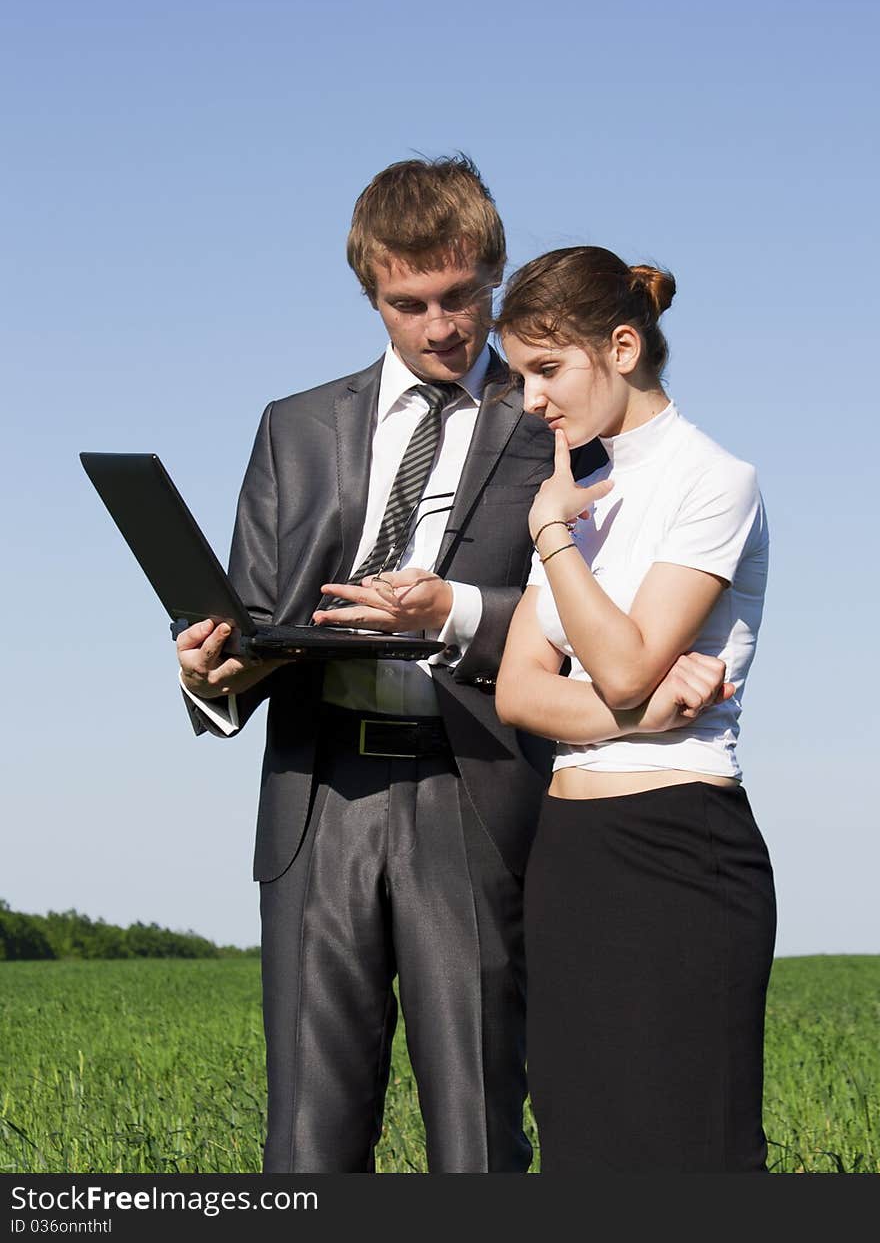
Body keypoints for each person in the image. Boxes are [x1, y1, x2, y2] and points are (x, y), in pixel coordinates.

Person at [174, 163, 730, 1175]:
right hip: (316, 797)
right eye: (408, 305)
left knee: (474, 1141)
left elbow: (607, 615)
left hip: (472, 795)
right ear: (371, 296)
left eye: (460, 298)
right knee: (304, 1145)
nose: (440, 326)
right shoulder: (292, 428)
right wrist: (209, 669)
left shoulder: (557, 420)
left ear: (493, 275)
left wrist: (456, 608)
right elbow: (249, 615)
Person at [494, 246, 776, 1174]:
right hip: (570, 861)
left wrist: (550, 538)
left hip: (680, 853)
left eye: (546, 369)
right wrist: (638, 716)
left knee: (690, 1157)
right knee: (584, 1157)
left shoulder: (714, 481)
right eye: (519, 376)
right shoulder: (577, 493)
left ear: (621, 346)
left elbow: (616, 666)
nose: (532, 400)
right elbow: (518, 691)